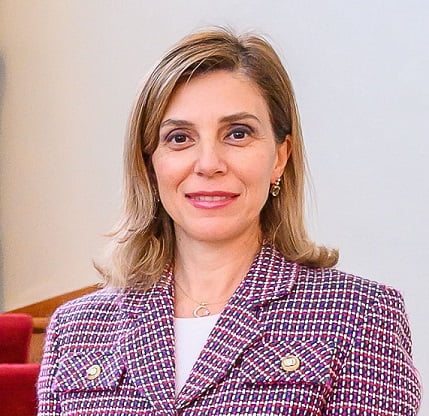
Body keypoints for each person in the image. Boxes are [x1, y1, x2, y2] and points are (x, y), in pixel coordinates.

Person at [37, 28, 421, 415]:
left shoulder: (361, 314)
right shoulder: (75, 328)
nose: (208, 164)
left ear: (280, 157)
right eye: (179, 138)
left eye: (237, 134)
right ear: (150, 163)